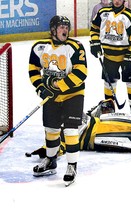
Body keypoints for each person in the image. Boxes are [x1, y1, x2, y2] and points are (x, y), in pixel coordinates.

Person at [28, 15, 88, 186]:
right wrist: (41, 88)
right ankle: (50, 160)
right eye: (61, 27)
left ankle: (72, 165)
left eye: (67, 27)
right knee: (51, 130)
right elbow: (33, 69)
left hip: (73, 95)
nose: (65, 30)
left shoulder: (75, 47)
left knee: (70, 131)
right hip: (51, 97)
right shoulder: (39, 48)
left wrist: (56, 86)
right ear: (53, 30)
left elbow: (81, 73)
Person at [26, 99, 131, 158]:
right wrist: (48, 151)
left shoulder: (70, 111)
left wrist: (102, 106)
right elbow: (60, 145)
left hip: (98, 123)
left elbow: (105, 106)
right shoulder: (60, 130)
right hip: (95, 134)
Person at [90, 0, 131, 118]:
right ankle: (109, 106)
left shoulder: (129, 14)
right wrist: (94, 42)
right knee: (110, 81)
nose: (117, 1)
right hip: (109, 56)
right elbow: (94, 27)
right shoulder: (102, 12)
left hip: (128, 55)